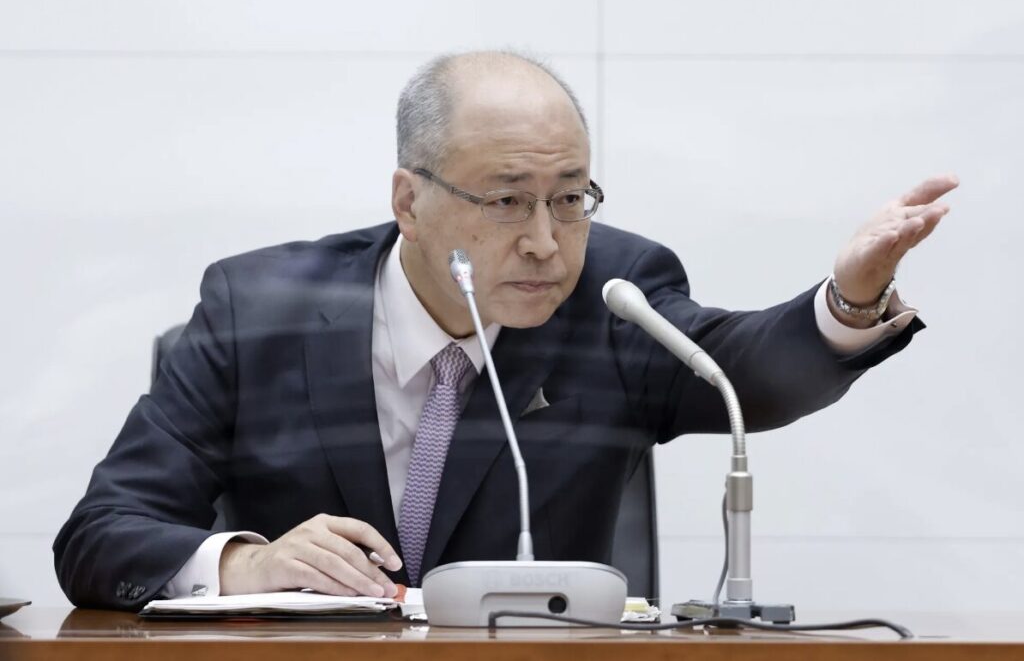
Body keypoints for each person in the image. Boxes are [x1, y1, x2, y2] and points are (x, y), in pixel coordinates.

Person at [54, 51, 954, 610]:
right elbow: (100, 535)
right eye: (508, 201)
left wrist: (848, 299)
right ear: (410, 201)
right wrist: (247, 565)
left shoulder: (612, 296)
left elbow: (744, 369)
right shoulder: (259, 309)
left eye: (570, 199)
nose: (545, 242)